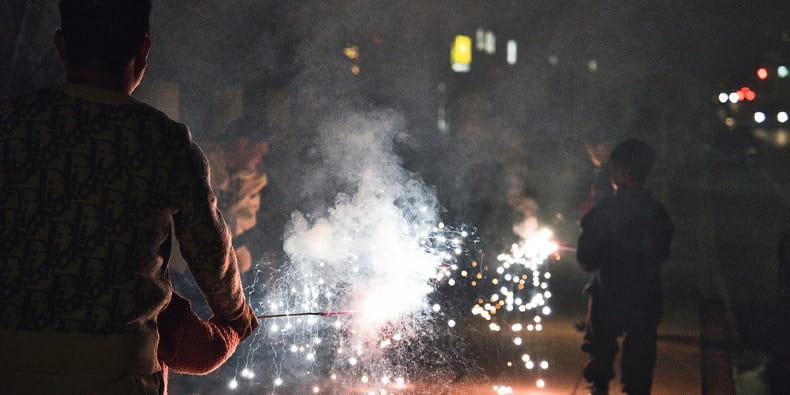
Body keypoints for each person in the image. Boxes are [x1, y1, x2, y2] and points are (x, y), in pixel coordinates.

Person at [0, 1, 258, 393]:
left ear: (62, 46)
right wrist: (236, 315)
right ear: (143, 50)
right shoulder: (165, 141)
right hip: (119, 373)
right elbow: (210, 251)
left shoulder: (11, 125)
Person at [576, 138, 674, 395]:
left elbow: (586, 259)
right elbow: (662, 252)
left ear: (623, 173)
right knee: (640, 363)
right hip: (646, 298)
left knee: (600, 352)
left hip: (608, 296)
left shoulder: (604, 212)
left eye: (613, 168)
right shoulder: (658, 212)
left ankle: (599, 387)